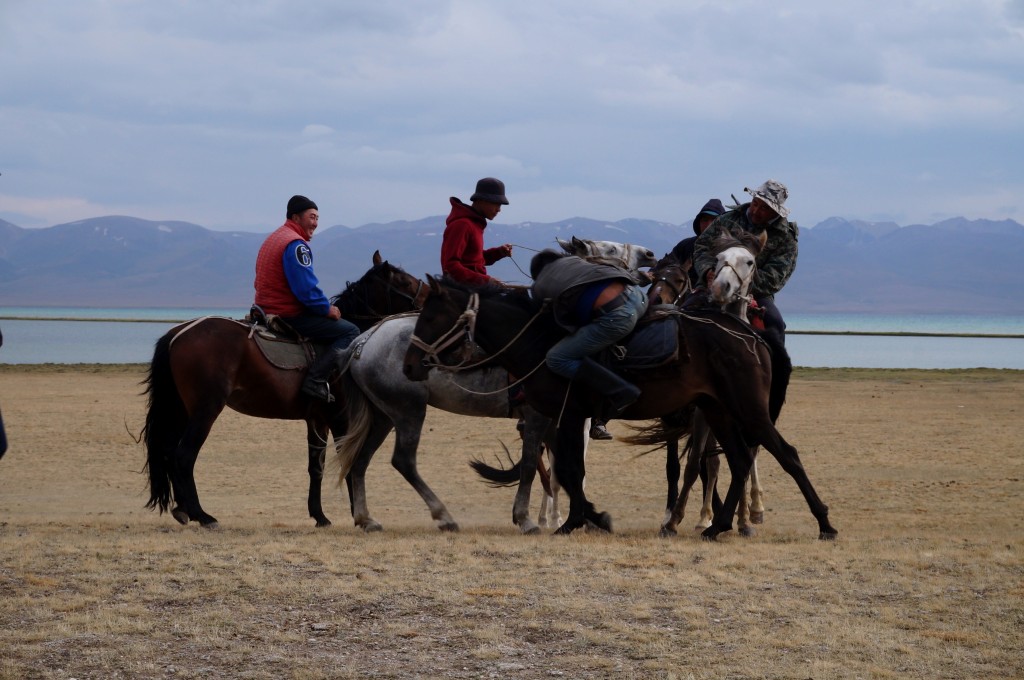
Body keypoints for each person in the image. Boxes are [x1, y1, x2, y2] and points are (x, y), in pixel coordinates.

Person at [254, 195, 359, 402]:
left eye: (317, 218)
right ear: (296, 217)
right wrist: (327, 309)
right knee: (350, 331)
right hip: (289, 314)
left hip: (264, 309)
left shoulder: (274, 238)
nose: (315, 223)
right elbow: (306, 290)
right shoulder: (296, 245)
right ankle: (315, 380)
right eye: (311, 217)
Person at [531, 250, 648, 421]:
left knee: (557, 358)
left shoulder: (539, 285)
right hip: (639, 297)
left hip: (618, 317)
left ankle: (622, 391)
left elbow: (549, 323)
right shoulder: (574, 261)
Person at [692, 180, 797, 342]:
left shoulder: (785, 238)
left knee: (775, 325)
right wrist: (707, 271)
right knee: (683, 314)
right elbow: (702, 247)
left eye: (764, 208)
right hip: (712, 283)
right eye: (755, 203)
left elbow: (775, 278)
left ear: (775, 212)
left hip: (756, 295)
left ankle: (776, 367)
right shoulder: (727, 219)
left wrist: (737, 283)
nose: (756, 211)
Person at [441, 177, 513, 286]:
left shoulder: (474, 224)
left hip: (474, 288)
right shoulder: (462, 225)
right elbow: (450, 266)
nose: (499, 210)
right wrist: (485, 280)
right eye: (496, 204)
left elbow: (473, 260)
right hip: (462, 291)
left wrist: (498, 253)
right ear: (482, 200)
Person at [668, 198, 726, 289]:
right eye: (704, 220)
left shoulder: (730, 249)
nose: (708, 224)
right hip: (686, 297)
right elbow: (667, 262)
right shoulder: (686, 245)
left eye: (714, 220)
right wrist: (652, 273)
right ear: (698, 223)